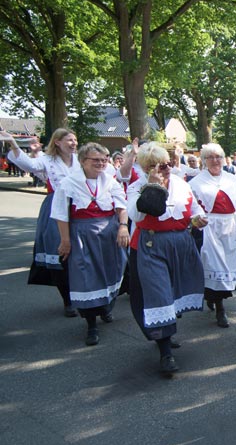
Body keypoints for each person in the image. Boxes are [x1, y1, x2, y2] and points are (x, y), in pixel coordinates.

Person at [127, 142, 208, 375]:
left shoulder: (182, 185)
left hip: (180, 243)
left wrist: (199, 219)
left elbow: (194, 211)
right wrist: (152, 186)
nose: (159, 169)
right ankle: (165, 352)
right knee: (159, 295)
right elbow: (137, 213)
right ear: (143, 168)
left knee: (172, 293)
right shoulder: (137, 187)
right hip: (151, 246)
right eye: (151, 166)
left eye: (162, 164)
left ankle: (166, 333)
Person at [52, 143, 130, 346]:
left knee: (111, 271)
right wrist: (66, 240)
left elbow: (122, 207)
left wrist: (123, 227)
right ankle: (91, 323)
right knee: (87, 276)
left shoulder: (111, 182)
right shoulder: (68, 183)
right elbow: (61, 214)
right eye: (96, 160)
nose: (101, 163)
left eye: (104, 160)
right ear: (82, 161)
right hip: (82, 235)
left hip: (109, 234)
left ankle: (105, 306)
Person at [0, 128, 80, 317]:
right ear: (58, 142)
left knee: (82, 253)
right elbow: (28, 165)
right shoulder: (47, 160)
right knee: (60, 251)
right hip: (55, 207)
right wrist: (13, 142)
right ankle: (68, 300)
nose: (74, 143)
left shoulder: (80, 160)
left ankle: (84, 296)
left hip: (79, 206)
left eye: (75, 139)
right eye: (69, 139)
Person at [190, 143, 236, 328]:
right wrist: (196, 219)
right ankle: (220, 308)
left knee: (228, 264)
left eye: (218, 156)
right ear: (204, 161)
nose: (215, 160)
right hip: (209, 227)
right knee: (213, 264)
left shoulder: (232, 179)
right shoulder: (196, 182)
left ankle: (215, 297)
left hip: (230, 226)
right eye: (210, 157)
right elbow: (191, 206)